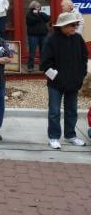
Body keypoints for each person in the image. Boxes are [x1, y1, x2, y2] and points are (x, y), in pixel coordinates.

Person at [40, 12, 88, 149]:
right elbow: (44, 64)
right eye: (73, 25)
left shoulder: (78, 39)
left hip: (74, 83)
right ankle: (54, 137)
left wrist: (81, 75)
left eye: (76, 24)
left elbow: (84, 58)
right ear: (63, 26)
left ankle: (70, 135)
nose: (75, 27)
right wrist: (57, 77)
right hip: (56, 84)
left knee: (72, 110)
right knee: (54, 112)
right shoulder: (51, 39)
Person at [25, 1, 50, 72]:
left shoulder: (41, 14)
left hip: (43, 35)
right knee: (32, 52)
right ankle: (30, 66)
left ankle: (42, 66)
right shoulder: (29, 15)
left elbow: (47, 18)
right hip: (33, 36)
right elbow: (33, 20)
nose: (39, 8)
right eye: (37, 7)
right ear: (33, 7)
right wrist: (37, 15)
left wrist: (39, 14)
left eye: (39, 7)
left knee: (43, 51)